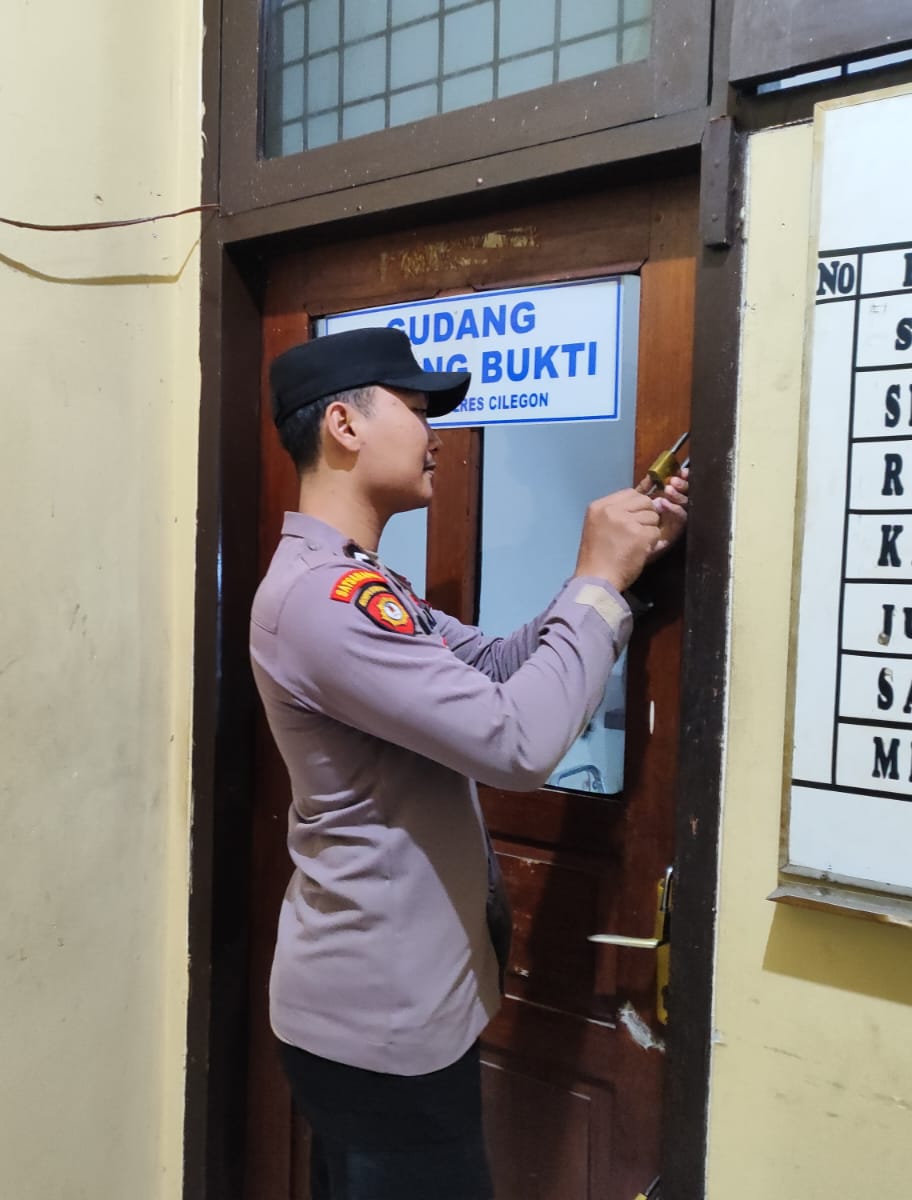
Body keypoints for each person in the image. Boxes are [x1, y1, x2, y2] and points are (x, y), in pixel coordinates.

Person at [249, 326, 688, 1200]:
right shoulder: (325, 599)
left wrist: (617, 572)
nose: (435, 435)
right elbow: (514, 744)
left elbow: (492, 664)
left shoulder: (358, 581)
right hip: (377, 1023)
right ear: (344, 425)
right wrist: (597, 582)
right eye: (417, 410)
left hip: (392, 1009)